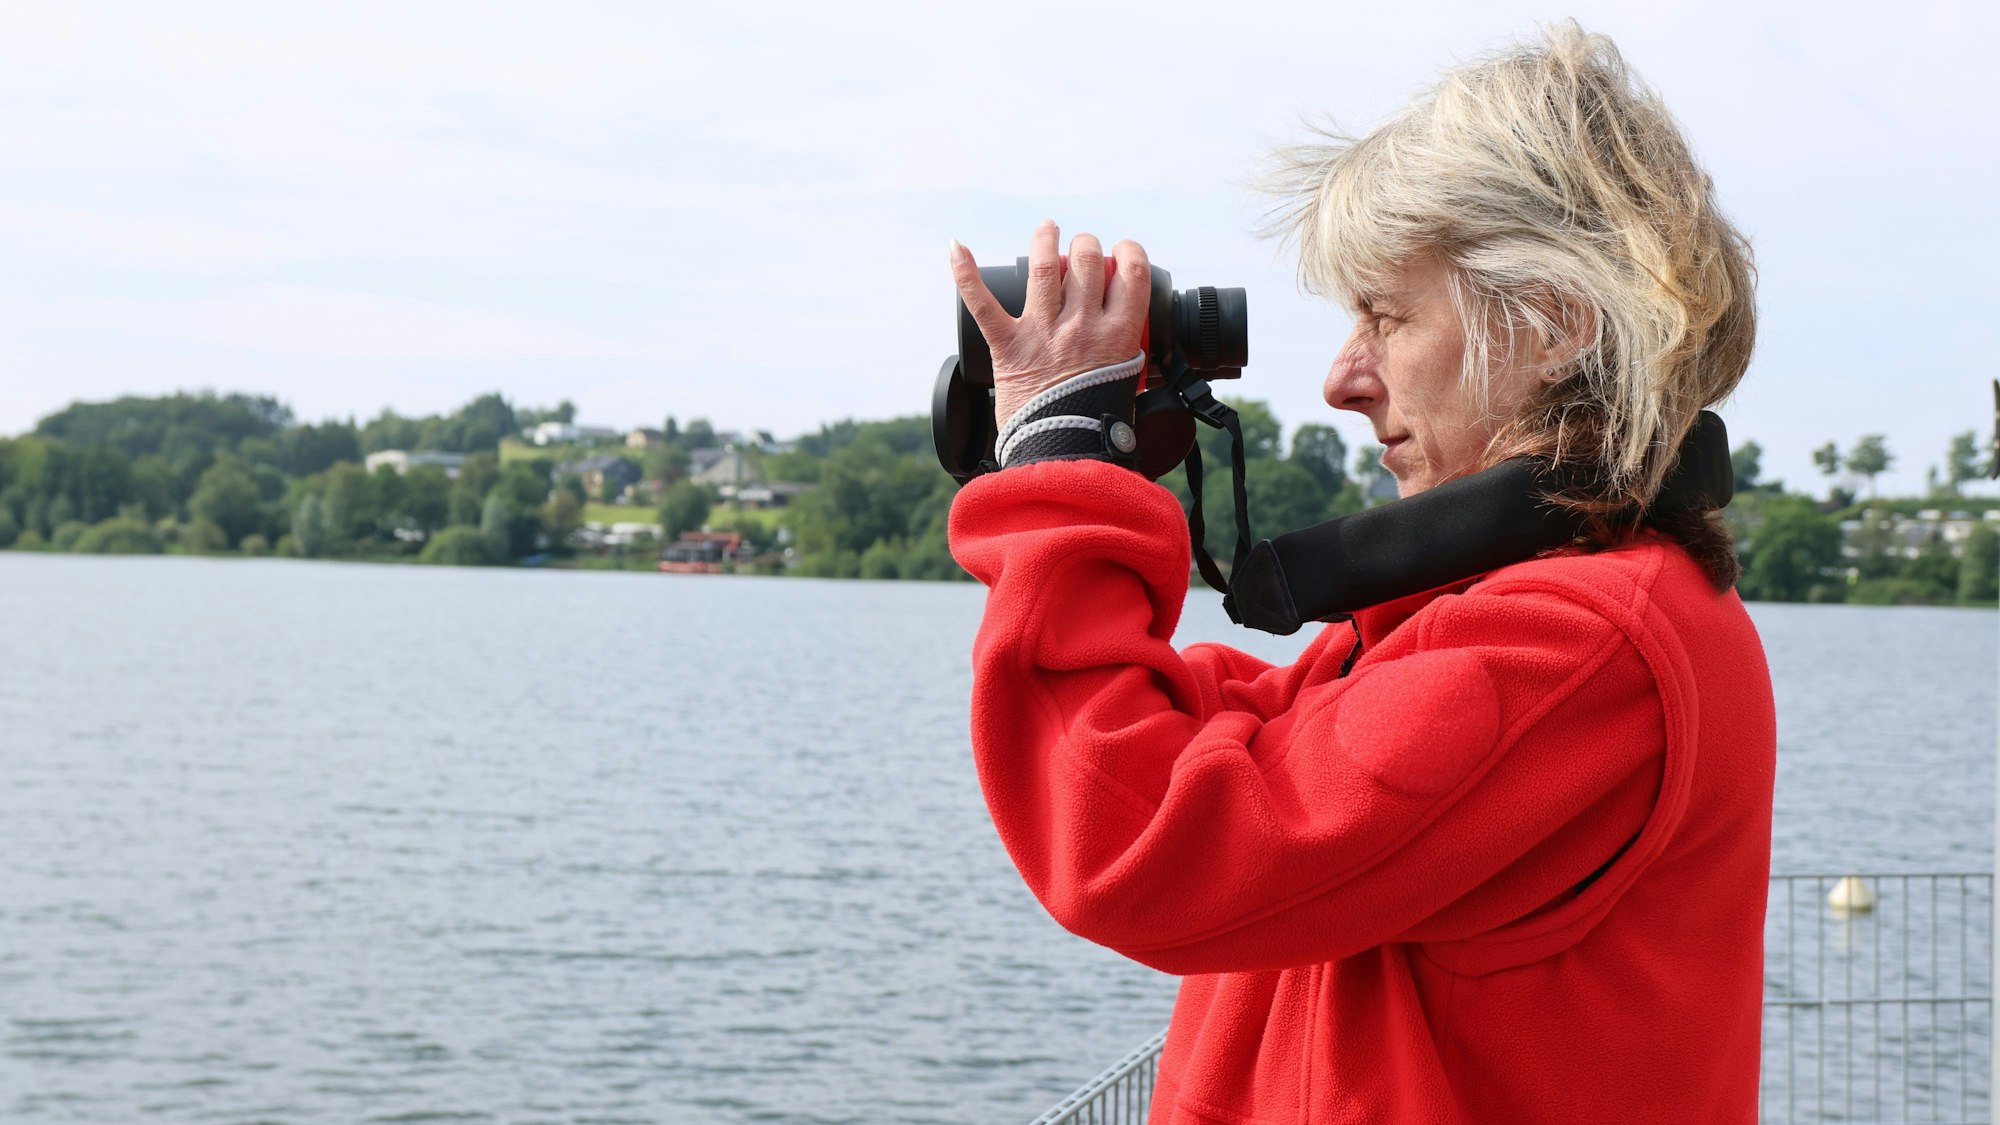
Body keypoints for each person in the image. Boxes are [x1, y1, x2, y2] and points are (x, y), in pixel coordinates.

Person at [943, 22, 1774, 1125]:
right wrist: (1070, 472)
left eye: (1384, 316)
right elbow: (1232, 741)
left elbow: (1141, 844)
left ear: (1556, 323)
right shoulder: (1532, 607)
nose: (1342, 378)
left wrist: (1056, 465)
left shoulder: (1577, 645)